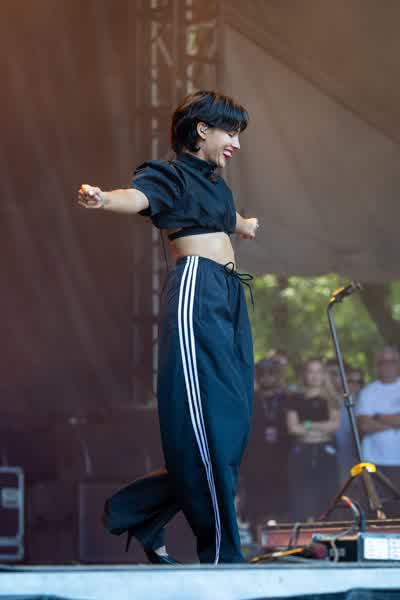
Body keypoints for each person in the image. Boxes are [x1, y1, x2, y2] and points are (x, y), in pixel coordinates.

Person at [78, 90, 259, 564]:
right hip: (197, 289)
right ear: (202, 129)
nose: (236, 143)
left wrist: (243, 224)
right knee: (207, 429)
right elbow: (138, 197)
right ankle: (222, 555)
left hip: (229, 294)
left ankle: (138, 509)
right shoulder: (169, 174)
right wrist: (103, 198)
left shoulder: (216, 185)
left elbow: (223, 217)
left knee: (233, 429)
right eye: (231, 132)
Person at [286, 358, 340, 522]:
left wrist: (308, 425)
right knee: (302, 493)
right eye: (311, 371)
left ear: (324, 374)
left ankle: (325, 528)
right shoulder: (295, 398)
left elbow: (334, 426)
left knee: (326, 493)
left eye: (318, 371)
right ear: (304, 374)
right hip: (302, 451)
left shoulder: (331, 399)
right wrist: (321, 428)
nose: (315, 376)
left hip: (326, 451)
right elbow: (293, 428)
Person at [242, 357, 291, 529]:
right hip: (254, 459)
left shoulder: (287, 399)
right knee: (256, 503)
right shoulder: (249, 399)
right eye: (262, 374)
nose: (267, 378)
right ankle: (255, 534)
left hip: (282, 458)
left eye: (271, 373)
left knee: (280, 503)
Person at [356, 346, 400, 516]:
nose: (388, 365)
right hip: (374, 462)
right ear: (377, 365)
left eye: (392, 361)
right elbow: (364, 425)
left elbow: (370, 421)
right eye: (383, 362)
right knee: (377, 512)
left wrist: (378, 416)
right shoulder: (368, 392)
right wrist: (395, 421)